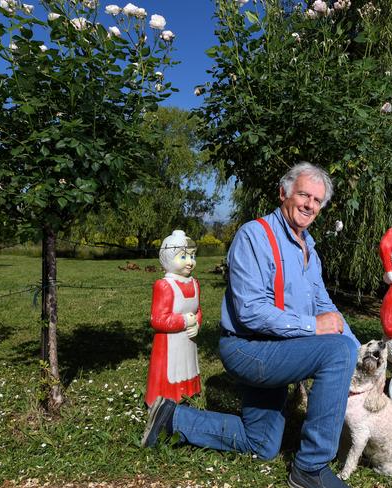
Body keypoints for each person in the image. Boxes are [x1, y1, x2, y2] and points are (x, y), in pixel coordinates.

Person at [142, 163, 360, 488]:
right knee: (337, 352)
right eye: (304, 194)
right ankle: (311, 468)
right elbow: (250, 312)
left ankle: (172, 419)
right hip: (248, 349)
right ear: (283, 192)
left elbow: (324, 305)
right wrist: (316, 329)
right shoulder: (254, 236)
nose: (310, 205)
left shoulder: (309, 250)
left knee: (262, 444)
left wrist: (361, 352)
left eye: (317, 200)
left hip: (279, 351)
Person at [144, 230, 202, 407]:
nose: (190, 262)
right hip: (169, 344)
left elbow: (197, 309)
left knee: (189, 366)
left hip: (188, 340)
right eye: (183, 256)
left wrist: (197, 323)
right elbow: (158, 320)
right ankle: (164, 401)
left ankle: (190, 393)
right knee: (172, 370)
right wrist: (185, 320)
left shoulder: (194, 283)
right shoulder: (164, 285)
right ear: (167, 258)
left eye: (192, 256)